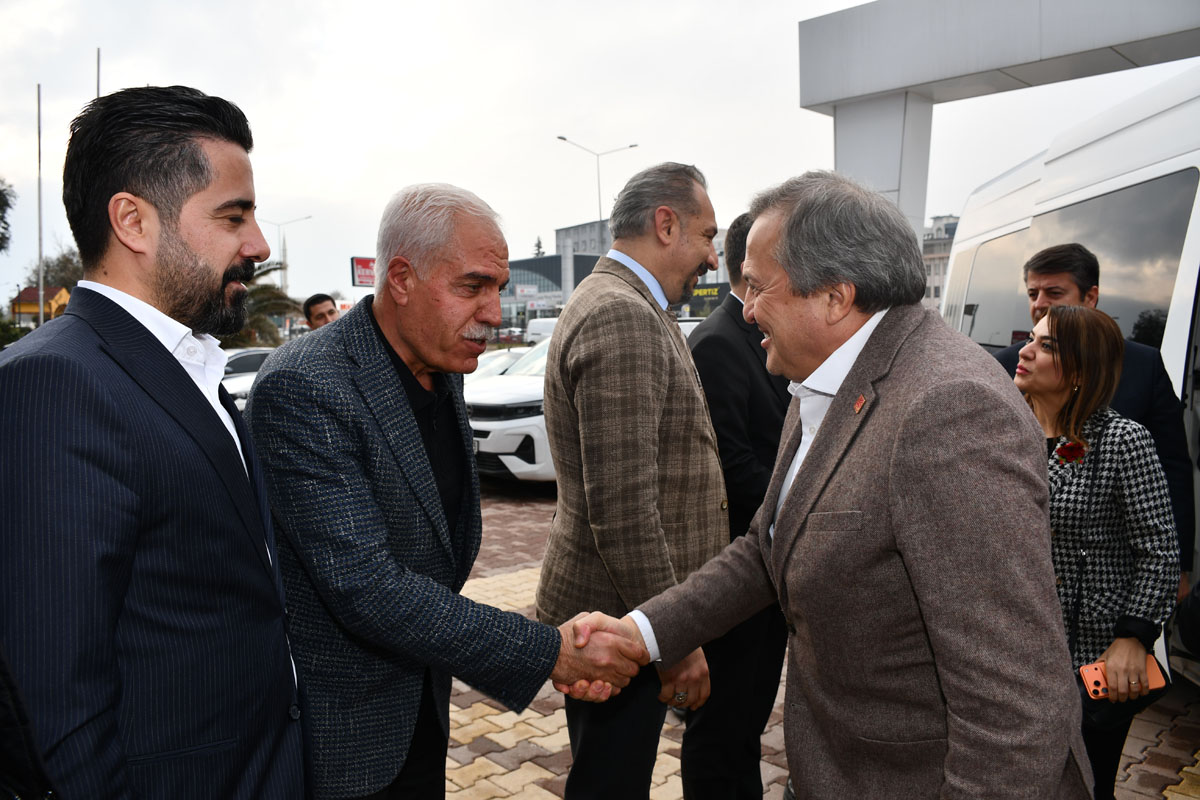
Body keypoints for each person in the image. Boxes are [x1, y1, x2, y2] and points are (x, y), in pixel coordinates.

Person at [572, 170, 1093, 797]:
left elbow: (1014, 703)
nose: (746, 308)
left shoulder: (949, 409)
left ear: (835, 297)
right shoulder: (824, 378)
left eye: (760, 286)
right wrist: (641, 632)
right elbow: (768, 546)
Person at [245, 183, 647, 800]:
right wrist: (550, 652)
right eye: (473, 286)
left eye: (499, 287)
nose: (495, 312)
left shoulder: (442, 365)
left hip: (423, 712)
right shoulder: (305, 386)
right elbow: (367, 586)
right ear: (401, 279)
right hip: (343, 742)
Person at [0, 86, 305, 798]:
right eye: (233, 216)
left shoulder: (187, 364)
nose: (259, 245)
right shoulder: (53, 382)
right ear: (133, 221)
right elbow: (59, 705)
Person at [536, 162, 730, 800]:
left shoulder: (627, 302)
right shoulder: (621, 314)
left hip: (622, 613)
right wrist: (672, 640)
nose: (713, 257)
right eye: (707, 236)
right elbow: (622, 513)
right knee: (610, 784)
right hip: (622, 623)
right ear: (666, 224)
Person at [1014, 304, 1179, 800]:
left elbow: (1159, 550)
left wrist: (1133, 636)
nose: (1025, 350)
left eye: (1046, 345)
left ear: (1081, 372)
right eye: (1031, 338)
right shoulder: (1003, 430)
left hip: (1092, 656)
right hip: (1013, 648)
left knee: (1084, 785)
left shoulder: (1122, 441)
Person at [994, 243, 1194, 598]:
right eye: (1033, 293)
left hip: (1099, 594)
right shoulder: (1006, 366)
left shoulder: (1142, 369)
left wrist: (1177, 569)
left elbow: (1172, 469)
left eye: (1054, 293)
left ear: (1090, 297)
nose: (1040, 303)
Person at [684, 211, 790, 798]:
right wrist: (804, 504)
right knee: (722, 730)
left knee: (745, 721)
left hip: (767, 562)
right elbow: (729, 465)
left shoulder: (753, 334)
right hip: (736, 566)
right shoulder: (719, 342)